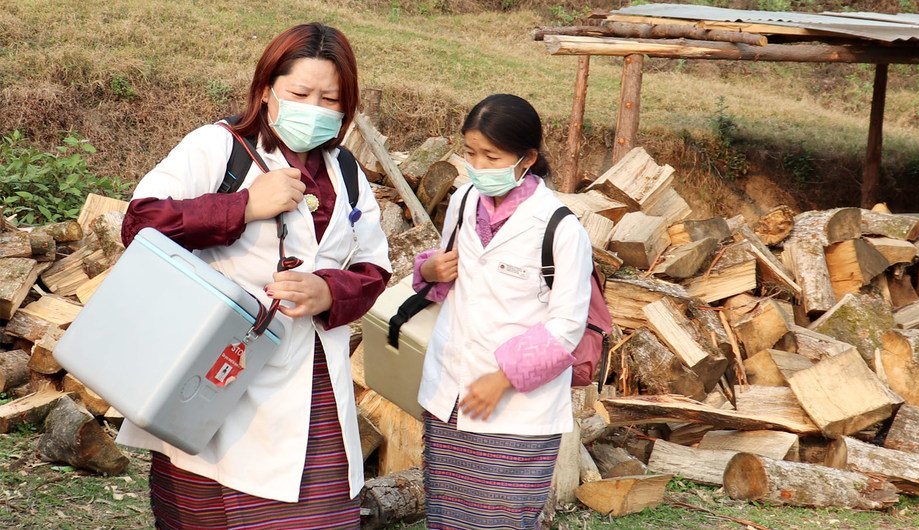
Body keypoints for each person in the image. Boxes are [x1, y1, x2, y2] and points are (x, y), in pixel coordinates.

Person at [118, 22, 391, 529]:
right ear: (266, 91)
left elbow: (374, 267)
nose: (316, 108)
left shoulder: (346, 172)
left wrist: (329, 291)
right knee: (204, 504)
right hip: (213, 367)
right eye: (300, 93)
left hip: (308, 386)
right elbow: (140, 223)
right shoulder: (217, 148)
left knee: (316, 513)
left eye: (330, 99)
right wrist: (244, 206)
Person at [413, 94, 592, 529]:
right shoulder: (462, 201)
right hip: (453, 395)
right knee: (447, 515)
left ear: (526, 158)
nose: (478, 165)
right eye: (471, 153)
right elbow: (451, 278)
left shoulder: (561, 228)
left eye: (492, 156)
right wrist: (431, 268)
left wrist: (502, 379)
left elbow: (567, 327)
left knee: (502, 519)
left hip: (516, 410)